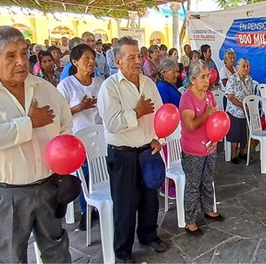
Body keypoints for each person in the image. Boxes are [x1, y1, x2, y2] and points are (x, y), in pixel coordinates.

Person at [0, 26, 73, 263]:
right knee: (11, 257)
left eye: (24, 53)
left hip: (47, 186)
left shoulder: (45, 89)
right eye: (11, 55)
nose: (21, 61)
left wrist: (62, 168)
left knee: (56, 251)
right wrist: (29, 123)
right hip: (5, 193)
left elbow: (65, 127)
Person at [97, 37, 168, 262]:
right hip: (123, 153)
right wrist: (137, 112)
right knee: (125, 205)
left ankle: (148, 235)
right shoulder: (109, 87)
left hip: (148, 149)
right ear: (118, 61)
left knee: (150, 198)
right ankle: (123, 251)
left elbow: (159, 115)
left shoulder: (148, 83)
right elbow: (111, 123)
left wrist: (158, 138)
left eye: (139, 56)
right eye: (131, 58)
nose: (137, 61)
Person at [57, 44, 103, 231]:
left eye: (93, 58)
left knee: (99, 174)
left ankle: (99, 206)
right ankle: (86, 211)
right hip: (78, 139)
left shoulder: (99, 83)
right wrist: (79, 108)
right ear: (75, 62)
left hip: (99, 137)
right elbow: (59, 115)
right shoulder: (67, 86)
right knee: (83, 175)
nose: (91, 62)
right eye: (87, 59)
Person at [179, 61, 224, 236]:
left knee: (207, 180)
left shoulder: (209, 95)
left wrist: (216, 138)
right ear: (192, 79)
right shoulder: (187, 98)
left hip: (210, 146)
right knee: (192, 184)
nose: (207, 80)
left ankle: (208, 209)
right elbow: (190, 125)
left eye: (208, 76)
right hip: (192, 151)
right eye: (203, 77)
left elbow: (217, 120)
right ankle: (190, 221)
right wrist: (207, 113)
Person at [156, 58, 182, 199]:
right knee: (168, 158)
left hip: (175, 128)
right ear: (164, 73)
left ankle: (173, 184)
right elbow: (165, 109)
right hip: (168, 130)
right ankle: (166, 187)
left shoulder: (170, 85)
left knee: (174, 156)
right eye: (174, 72)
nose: (177, 74)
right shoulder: (162, 87)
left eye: (177, 71)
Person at [224, 58, 254, 164]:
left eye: (247, 66)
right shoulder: (232, 79)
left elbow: (252, 94)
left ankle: (242, 152)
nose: (245, 68)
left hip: (247, 111)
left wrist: (248, 106)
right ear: (237, 68)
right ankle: (234, 154)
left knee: (245, 133)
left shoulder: (249, 79)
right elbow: (230, 97)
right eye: (243, 66)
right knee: (236, 134)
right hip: (234, 111)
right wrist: (242, 106)